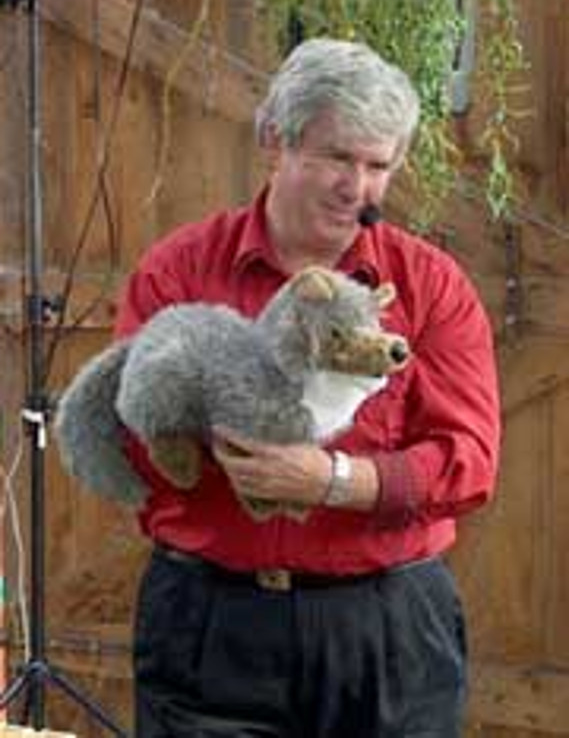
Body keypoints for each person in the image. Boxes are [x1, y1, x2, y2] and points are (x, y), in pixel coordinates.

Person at [115, 38, 501, 737]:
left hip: (388, 630)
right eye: (336, 157)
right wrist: (207, 435)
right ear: (275, 140)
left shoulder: (429, 285)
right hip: (210, 625)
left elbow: (468, 460)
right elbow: (132, 439)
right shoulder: (177, 272)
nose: (357, 188)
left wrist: (332, 480)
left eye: (377, 165)